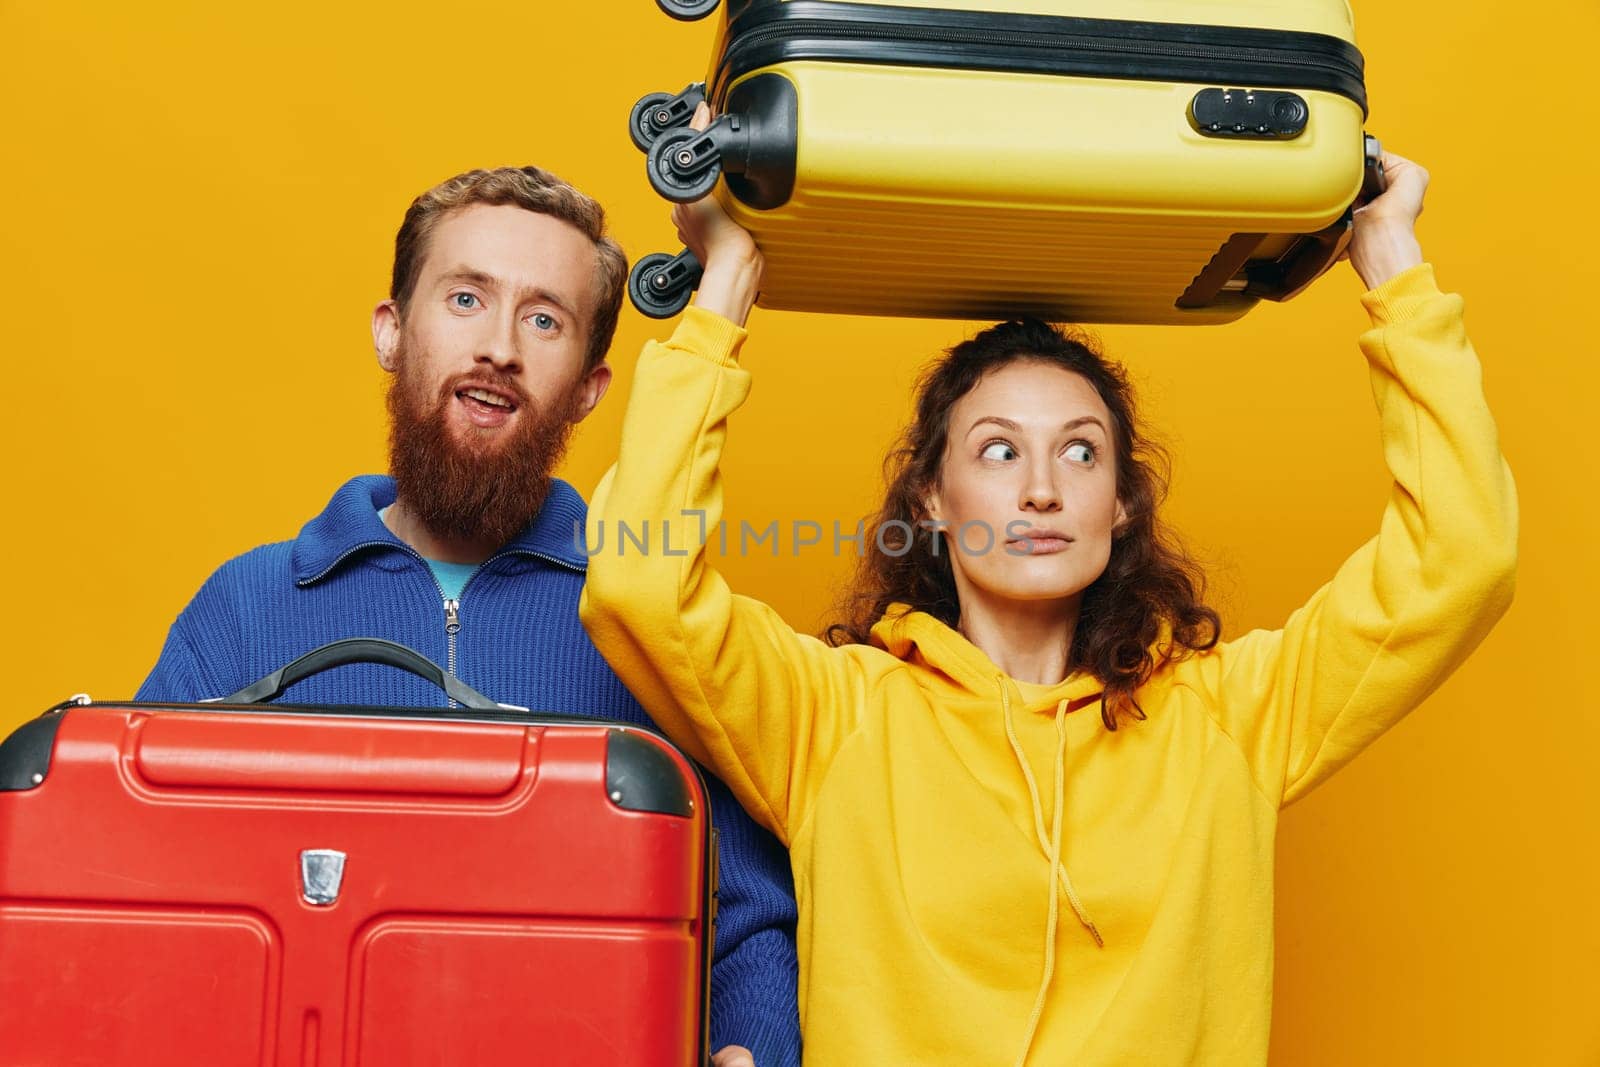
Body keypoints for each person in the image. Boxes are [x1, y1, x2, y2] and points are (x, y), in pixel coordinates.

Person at [579, 108, 1518, 1065]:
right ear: (934, 500)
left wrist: (1392, 262)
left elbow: (1462, 555)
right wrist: (727, 281)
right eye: (997, 450)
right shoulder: (834, 720)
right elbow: (638, 584)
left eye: (1080, 450)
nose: (1041, 487)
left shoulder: (1229, 718)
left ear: (1119, 505)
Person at [137, 165, 801, 1067]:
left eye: (543, 319)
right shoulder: (247, 607)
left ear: (590, 387)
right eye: (464, 298)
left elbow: (749, 915)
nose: (499, 347)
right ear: (391, 332)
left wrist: (753, 1048)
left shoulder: (654, 617)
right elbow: (135, 884)